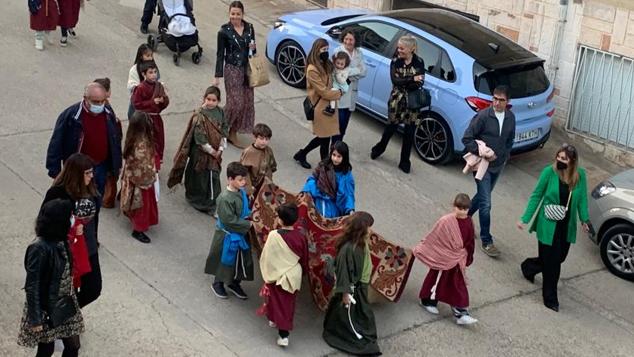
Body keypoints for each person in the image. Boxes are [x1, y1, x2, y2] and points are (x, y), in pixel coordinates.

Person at [517, 144, 590, 312]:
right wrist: (525, 218)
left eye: (564, 159)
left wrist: (585, 220)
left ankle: (529, 267)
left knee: (558, 258)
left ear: (572, 161)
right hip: (548, 224)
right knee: (553, 265)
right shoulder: (548, 172)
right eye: (558, 156)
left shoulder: (580, 176)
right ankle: (550, 298)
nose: (559, 160)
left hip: (566, 225)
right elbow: (536, 195)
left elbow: (582, 200)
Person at [17, 199, 84, 357]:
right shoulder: (38, 248)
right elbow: (32, 286)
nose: (72, 219)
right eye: (69, 216)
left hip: (66, 301)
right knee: (47, 348)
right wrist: (36, 319)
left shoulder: (62, 239)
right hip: (47, 305)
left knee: (73, 345)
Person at [42, 153, 102, 308]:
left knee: (94, 288)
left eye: (91, 171)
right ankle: (64, 321)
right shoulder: (57, 194)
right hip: (66, 250)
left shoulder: (92, 191)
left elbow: (94, 218)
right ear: (76, 174)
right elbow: (45, 222)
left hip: (88, 247)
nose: (91, 176)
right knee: (68, 290)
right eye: (87, 173)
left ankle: (69, 315)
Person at [462, 85, 516, 257]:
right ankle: (487, 241)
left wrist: (505, 155)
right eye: (494, 98)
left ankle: (464, 216)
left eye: (501, 100)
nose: (497, 103)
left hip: (498, 166)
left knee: (482, 197)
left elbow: (510, 139)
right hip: (482, 167)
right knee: (486, 203)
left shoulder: (510, 117)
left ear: (507, 102)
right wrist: (482, 152)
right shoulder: (483, 116)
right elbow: (467, 138)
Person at [46, 82, 123, 196]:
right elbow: (56, 144)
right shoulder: (71, 116)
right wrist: (55, 171)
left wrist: (116, 164)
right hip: (78, 169)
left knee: (97, 198)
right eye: (96, 102)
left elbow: (114, 140)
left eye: (103, 101)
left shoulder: (108, 113)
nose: (100, 105)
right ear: (85, 99)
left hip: (100, 167)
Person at [322, 211, 381, 356]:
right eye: (368, 227)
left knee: (358, 313)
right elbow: (344, 272)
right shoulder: (349, 249)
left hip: (360, 286)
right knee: (352, 315)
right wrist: (346, 293)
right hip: (353, 289)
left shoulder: (360, 243)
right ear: (362, 229)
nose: (370, 230)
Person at [413, 193, 477, 325]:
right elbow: (434, 237)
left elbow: (470, 241)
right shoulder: (446, 221)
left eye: (465, 209)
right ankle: (427, 300)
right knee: (436, 278)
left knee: (457, 284)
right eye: (460, 208)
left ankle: (461, 313)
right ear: (454, 207)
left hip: (458, 259)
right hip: (443, 257)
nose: (462, 211)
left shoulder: (469, 221)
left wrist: (469, 256)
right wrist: (422, 249)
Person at [370, 35, 425, 174]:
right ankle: (379, 148)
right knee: (391, 127)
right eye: (398, 47)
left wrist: (406, 80)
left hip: (412, 101)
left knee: (409, 132)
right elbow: (395, 81)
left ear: (411, 49)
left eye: (402, 48)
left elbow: (420, 83)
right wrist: (412, 78)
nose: (398, 50)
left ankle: (405, 161)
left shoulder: (419, 62)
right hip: (397, 99)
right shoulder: (395, 61)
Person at [169, 86, 228, 215]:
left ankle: (210, 201)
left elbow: (224, 129)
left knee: (212, 176)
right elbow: (199, 138)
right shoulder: (200, 116)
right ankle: (200, 202)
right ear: (204, 98)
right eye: (208, 99)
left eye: (214, 100)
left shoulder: (220, 112)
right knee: (200, 176)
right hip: (201, 153)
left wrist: (221, 147)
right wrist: (212, 151)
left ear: (218, 101)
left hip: (216, 151)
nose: (211, 102)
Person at [259, 203, 308, 347]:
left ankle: (283, 335)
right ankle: (277, 323)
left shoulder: (274, 235)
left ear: (280, 220)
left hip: (276, 274)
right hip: (292, 276)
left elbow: (267, 255)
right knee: (287, 304)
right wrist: (303, 272)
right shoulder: (300, 237)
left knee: (275, 300)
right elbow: (304, 258)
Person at [204, 162, 253, 300]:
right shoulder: (225, 199)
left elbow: (245, 208)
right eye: (240, 179)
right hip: (228, 235)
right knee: (224, 260)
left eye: (244, 179)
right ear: (230, 179)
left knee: (239, 260)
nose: (243, 182)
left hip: (240, 232)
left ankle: (234, 282)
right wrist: (248, 224)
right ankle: (218, 283)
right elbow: (229, 221)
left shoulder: (241, 192)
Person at [212, 1, 256, 148]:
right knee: (235, 103)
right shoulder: (224, 31)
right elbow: (220, 54)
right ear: (229, 14)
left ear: (243, 14)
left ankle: (233, 132)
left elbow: (253, 52)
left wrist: (253, 48)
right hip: (232, 69)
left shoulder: (249, 28)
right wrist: (217, 75)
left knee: (245, 103)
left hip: (247, 70)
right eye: (232, 14)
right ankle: (218, 124)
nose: (235, 17)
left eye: (238, 14)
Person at [293, 38, 343, 169]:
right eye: (323, 50)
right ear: (317, 50)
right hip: (320, 107)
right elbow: (323, 91)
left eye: (327, 49)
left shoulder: (326, 64)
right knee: (324, 139)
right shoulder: (312, 69)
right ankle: (324, 167)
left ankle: (302, 154)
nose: (326, 52)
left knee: (323, 138)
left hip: (328, 106)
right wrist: (340, 93)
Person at [120, 112, 159, 244]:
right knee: (141, 206)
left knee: (137, 204)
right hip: (141, 181)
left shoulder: (133, 138)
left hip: (136, 177)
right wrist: (152, 173)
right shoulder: (140, 144)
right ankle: (138, 230)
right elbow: (141, 164)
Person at [302, 141, 354, 218]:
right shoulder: (323, 165)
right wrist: (307, 190)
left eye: (339, 156)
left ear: (344, 157)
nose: (335, 159)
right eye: (334, 155)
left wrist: (350, 209)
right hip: (317, 196)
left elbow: (348, 194)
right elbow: (313, 178)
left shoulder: (346, 175)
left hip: (333, 203)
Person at [132, 61, 169, 168]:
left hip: (156, 120)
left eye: (155, 72)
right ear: (144, 74)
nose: (154, 75)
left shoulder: (159, 86)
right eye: (150, 72)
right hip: (144, 120)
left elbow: (164, 104)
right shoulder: (140, 88)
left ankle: (155, 164)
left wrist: (164, 100)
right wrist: (152, 102)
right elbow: (137, 104)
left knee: (158, 142)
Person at [332, 29, 366, 145]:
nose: (348, 42)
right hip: (341, 96)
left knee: (343, 128)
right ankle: (334, 151)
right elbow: (337, 72)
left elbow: (364, 72)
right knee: (338, 128)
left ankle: (338, 150)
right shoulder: (338, 51)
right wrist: (355, 71)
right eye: (346, 39)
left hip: (352, 94)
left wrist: (348, 73)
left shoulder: (359, 53)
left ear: (355, 41)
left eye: (351, 39)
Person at [94, 77, 123, 209]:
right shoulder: (103, 109)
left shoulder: (101, 106)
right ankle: (105, 200)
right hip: (106, 152)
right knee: (107, 177)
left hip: (104, 151)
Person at [239, 123, 277, 197]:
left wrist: (269, 181)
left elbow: (272, 166)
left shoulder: (269, 151)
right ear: (255, 137)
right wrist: (249, 188)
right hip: (250, 185)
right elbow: (243, 171)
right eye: (261, 138)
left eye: (267, 139)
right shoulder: (249, 152)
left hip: (263, 184)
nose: (264, 142)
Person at [127, 44, 158, 120]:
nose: (150, 58)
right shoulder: (134, 70)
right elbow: (132, 86)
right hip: (138, 102)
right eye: (147, 56)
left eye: (151, 55)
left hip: (150, 102)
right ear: (141, 56)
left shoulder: (154, 67)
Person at [324, 52, 350, 116]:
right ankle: (331, 105)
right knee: (331, 90)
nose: (339, 65)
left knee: (333, 92)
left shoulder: (345, 71)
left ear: (345, 65)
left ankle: (332, 109)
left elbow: (342, 81)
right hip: (335, 84)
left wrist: (338, 74)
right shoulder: (335, 67)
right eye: (337, 63)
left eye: (342, 64)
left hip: (341, 87)